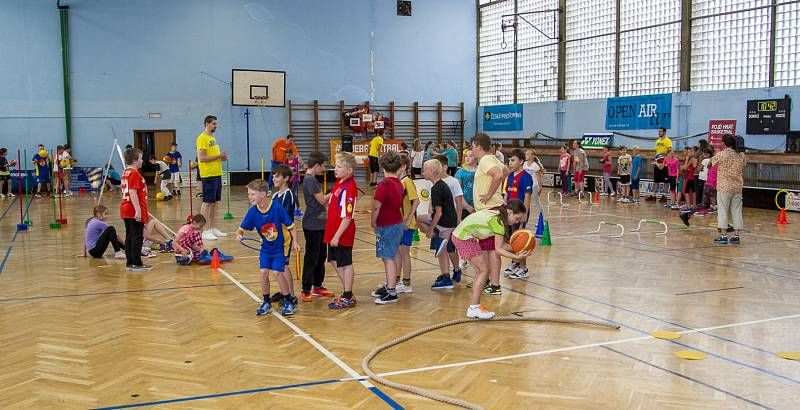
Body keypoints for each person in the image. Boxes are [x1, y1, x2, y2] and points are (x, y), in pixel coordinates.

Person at [451, 201, 530, 319]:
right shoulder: (499, 222)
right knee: (483, 271)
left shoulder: (498, 215)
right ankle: (474, 308)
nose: (517, 222)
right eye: (517, 218)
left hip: (462, 236)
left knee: (481, 271)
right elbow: (498, 250)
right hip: (464, 237)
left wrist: (520, 248)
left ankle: (474, 307)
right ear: (510, 212)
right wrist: (517, 257)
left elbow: (501, 246)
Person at [237, 179, 301, 316]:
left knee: (278, 273)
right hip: (265, 249)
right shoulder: (253, 211)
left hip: (279, 248)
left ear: (263, 194)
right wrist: (239, 235)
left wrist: (295, 242)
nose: (250, 197)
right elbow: (241, 229)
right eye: (249, 194)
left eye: (252, 194)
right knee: (263, 272)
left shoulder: (277, 208)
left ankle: (288, 300)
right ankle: (266, 301)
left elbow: (292, 227)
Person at [471, 133, 507, 295]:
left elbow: (499, 175)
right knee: (487, 249)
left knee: (492, 249)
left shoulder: (486, 160)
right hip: (490, 210)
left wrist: (489, 194)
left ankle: (495, 284)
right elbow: (505, 171)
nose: (472, 150)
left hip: (490, 210)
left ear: (479, 147)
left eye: (473, 147)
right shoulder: (492, 159)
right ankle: (488, 281)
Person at [369, 151, 405, 305]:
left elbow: (376, 207)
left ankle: (391, 291)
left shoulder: (383, 184)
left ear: (382, 165)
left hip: (387, 225)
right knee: (392, 255)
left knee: (387, 257)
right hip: (397, 223)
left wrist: (373, 222)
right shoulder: (399, 183)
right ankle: (391, 285)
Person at [324, 152, 359, 309]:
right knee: (332, 259)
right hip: (332, 230)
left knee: (345, 262)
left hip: (343, 232)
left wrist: (337, 235)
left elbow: (348, 216)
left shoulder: (349, 187)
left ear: (349, 170)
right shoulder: (339, 182)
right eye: (335, 166)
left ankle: (347, 294)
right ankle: (348, 291)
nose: (335, 169)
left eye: (339, 166)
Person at [417, 159, 458, 290]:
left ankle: (446, 278)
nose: (423, 172)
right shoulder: (438, 185)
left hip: (445, 223)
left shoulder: (437, 188)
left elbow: (438, 213)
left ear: (432, 171)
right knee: (417, 218)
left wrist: (431, 229)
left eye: (424, 169)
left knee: (441, 251)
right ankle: (445, 275)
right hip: (446, 220)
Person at [300, 151, 334, 302]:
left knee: (321, 256)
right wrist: (332, 193)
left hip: (320, 223)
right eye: (323, 166)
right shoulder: (310, 180)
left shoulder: (312, 179)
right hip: (312, 224)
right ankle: (306, 288)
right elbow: (321, 200)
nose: (324, 169)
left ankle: (318, 286)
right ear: (316, 165)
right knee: (312, 257)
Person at [269, 164, 299, 305]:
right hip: (274, 236)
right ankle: (284, 291)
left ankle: (291, 296)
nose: (274, 178)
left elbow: (284, 217)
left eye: (278, 176)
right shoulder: (275, 195)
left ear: (286, 178)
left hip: (284, 236)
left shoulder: (288, 195)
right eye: (273, 176)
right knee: (277, 267)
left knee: (284, 266)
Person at [196, 115, 228, 240]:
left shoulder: (212, 137)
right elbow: (202, 158)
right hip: (208, 174)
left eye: (216, 123)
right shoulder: (202, 138)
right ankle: (204, 230)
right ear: (207, 124)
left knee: (214, 202)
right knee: (207, 202)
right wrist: (219, 156)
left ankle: (211, 227)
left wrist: (221, 157)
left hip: (216, 173)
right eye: (214, 123)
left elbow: (213, 155)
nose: (216, 126)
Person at [502, 149, 533, 279]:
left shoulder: (526, 176)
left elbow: (527, 196)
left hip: (519, 215)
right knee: (510, 240)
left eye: (513, 160)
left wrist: (524, 214)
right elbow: (507, 194)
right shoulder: (510, 176)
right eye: (509, 160)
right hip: (509, 214)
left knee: (520, 241)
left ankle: (523, 268)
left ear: (521, 161)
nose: (510, 162)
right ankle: (515, 263)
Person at [120, 147, 152, 272]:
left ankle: (130, 262)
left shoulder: (125, 172)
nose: (142, 161)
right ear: (134, 160)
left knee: (130, 235)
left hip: (126, 207)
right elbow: (133, 192)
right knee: (137, 236)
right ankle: (137, 263)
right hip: (133, 208)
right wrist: (138, 210)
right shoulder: (134, 173)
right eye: (140, 158)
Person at [434, 155, 464, 282]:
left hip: (450, 220)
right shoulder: (434, 182)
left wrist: (458, 218)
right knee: (441, 248)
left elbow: (459, 202)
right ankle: (444, 273)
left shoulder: (453, 181)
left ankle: (457, 269)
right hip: (439, 221)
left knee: (451, 248)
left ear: (445, 167)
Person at [712, 134, 746, 244]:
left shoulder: (721, 154)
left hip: (724, 187)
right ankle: (736, 236)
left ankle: (723, 236)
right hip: (737, 187)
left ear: (723, 143)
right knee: (736, 211)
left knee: (723, 211)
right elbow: (744, 165)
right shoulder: (741, 155)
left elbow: (709, 165)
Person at [395, 154, 419, 294]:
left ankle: (407, 282)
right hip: (399, 223)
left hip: (407, 224)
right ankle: (396, 281)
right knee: (398, 253)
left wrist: (408, 219)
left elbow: (416, 201)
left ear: (403, 167)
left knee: (404, 253)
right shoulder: (400, 181)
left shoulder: (407, 181)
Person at [651, 127, 672, 201]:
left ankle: (664, 196)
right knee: (656, 180)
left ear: (664, 132)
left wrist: (665, 161)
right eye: (658, 131)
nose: (659, 132)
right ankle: (653, 196)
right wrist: (654, 160)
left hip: (665, 164)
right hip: (657, 163)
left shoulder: (668, 141)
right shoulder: (657, 141)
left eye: (660, 131)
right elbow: (657, 152)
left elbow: (669, 152)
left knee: (665, 181)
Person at [454, 149, 477, 217]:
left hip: (478, 205)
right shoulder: (460, 172)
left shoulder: (480, 171)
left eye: (471, 156)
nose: (468, 158)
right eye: (466, 156)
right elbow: (457, 191)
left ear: (476, 157)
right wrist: (467, 206)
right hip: (464, 205)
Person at [523, 149, 544, 218]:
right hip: (526, 185)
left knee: (536, 202)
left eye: (528, 154)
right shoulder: (524, 164)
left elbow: (539, 178)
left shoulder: (535, 166)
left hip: (534, 186)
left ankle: (542, 219)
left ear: (532, 156)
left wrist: (540, 188)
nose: (526, 155)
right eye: (526, 154)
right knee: (525, 201)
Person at [680, 146, 698, 211]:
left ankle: (689, 206)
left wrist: (687, 159)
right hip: (694, 177)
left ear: (694, 152)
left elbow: (685, 167)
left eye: (690, 152)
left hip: (691, 177)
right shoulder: (697, 158)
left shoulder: (692, 159)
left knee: (686, 191)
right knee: (694, 192)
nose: (688, 153)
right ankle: (694, 206)